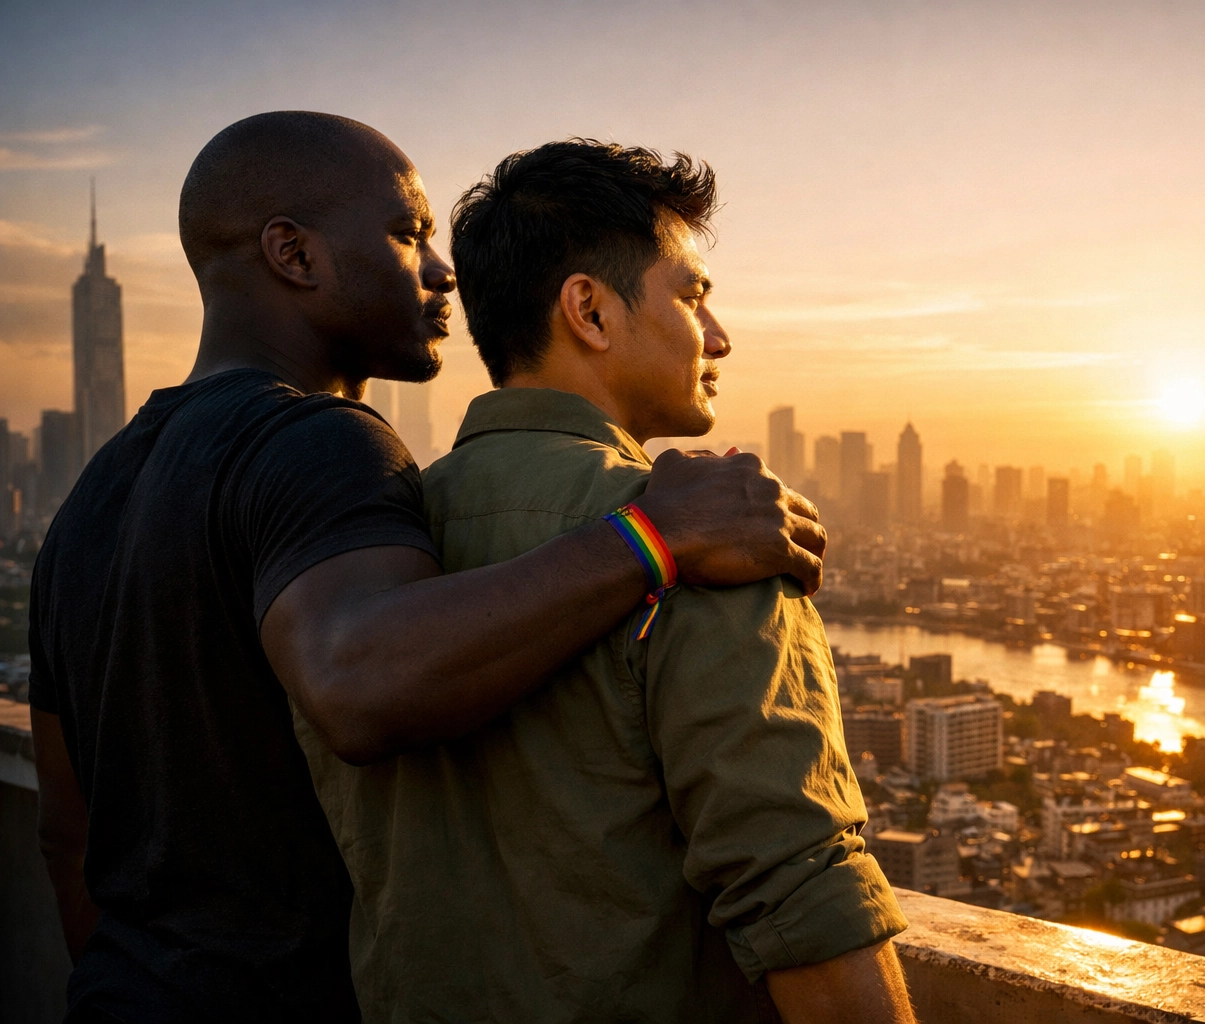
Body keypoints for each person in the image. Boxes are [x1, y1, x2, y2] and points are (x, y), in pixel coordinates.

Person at [28, 112, 827, 1024]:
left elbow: (66, 832)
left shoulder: (91, 500)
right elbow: (358, 679)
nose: (443, 270)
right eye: (409, 235)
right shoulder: (314, 441)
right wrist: (651, 536)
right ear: (293, 254)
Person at [296, 140, 916, 1024]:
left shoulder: (355, 565)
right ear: (588, 310)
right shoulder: (710, 534)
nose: (720, 335)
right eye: (694, 296)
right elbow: (802, 894)